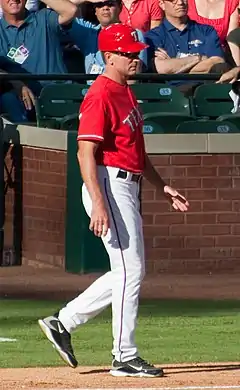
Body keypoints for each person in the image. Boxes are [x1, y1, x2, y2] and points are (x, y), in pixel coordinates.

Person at [38, 23, 189, 378]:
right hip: (109, 184)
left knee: (127, 270)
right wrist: (99, 201)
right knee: (131, 269)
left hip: (126, 183)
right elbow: (85, 153)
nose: (135, 56)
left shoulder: (124, 91)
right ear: (108, 57)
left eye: (135, 51)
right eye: (127, 52)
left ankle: (63, 322)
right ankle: (124, 355)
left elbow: (136, 151)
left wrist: (161, 186)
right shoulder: (101, 93)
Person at [0, 0, 78, 123]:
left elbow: (71, 11)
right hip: (21, 98)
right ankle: (22, 141)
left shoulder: (44, 17)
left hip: (56, 94)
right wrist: (17, 83)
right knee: (7, 99)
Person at [144, 0, 227, 76]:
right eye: (173, 0)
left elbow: (218, 62)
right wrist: (199, 58)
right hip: (171, 89)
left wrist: (175, 65)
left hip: (204, 87)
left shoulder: (207, 31)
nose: (180, 2)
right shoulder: (153, 37)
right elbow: (161, 68)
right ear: (162, 4)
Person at [66, 0, 147, 75]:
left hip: (121, 89)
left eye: (110, 4)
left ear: (120, 8)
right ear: (95, 11)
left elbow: (134, 77)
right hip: (93, 89)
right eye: (100, 4)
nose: (105, 8)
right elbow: (64, 11)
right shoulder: (87, 33)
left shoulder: (134, 34)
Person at [187, 0, 240, 66]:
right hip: (190, 56)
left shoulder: (232, 3)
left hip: (219, 59)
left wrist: (237, 68)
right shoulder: (185, 2)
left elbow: (232, 40)